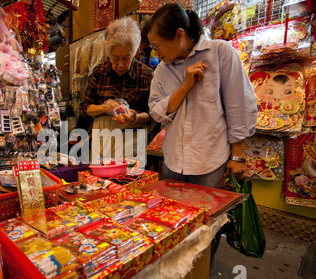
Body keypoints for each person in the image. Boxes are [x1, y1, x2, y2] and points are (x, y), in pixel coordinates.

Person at [143, 3, 258, 188]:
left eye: (158, 46)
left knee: (211, 216)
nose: (156, 53)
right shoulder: (162, 70)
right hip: (173, 161)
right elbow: (156, 113)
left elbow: (239, 106)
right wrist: (185, 86)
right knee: (173, 213)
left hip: (210, 162)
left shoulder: (221, 53)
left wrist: (238, 156)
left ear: (179, 35)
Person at [83, 17, 154, 165]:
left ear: (134, 53)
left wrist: (135, 117)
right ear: (109, 53)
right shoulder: (99, 72)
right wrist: (103, 107)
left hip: (132, 140)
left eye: (126, 58)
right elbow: (86, 109)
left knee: (130, 183)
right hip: (103, 139)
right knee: (100, 184)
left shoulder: (146, 75)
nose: (121, 64)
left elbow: (153, 114)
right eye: (115, 58)